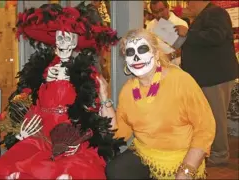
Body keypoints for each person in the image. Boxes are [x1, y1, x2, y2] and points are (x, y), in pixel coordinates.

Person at [0, 3, 125, 179]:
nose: (62, 42)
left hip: (73, 142)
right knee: (11, 171)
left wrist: (83, 137)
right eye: (59, 37)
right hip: (39, 138)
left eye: (67, 37)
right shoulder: (42, 71)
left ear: (75, 42)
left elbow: (107, 124)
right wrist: (20, 131)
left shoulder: (88, 74)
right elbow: (28, 105)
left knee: (65, 174)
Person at [97, 29, 216, 179]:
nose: (136, 57)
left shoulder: (180, 81)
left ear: (156, 53)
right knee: (116, 170)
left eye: (142, 49)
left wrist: (187, 170)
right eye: (130, 52)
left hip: (182, 157)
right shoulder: (128, 90)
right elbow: (119, 134)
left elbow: (205, 128)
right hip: (145, 154)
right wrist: (104, 97)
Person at [175, 1, 239, 166]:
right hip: (208, 76)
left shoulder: (215, 13)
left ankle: (219, 155)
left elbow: (216, 36)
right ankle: (214, 151)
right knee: (209, 116)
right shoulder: (205, 15)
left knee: (215, 117)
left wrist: (188, 33)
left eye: (190, 2)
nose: (188, 5)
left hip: (215, 76)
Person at [146, 0, 188, 66]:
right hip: (157, 66)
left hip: (177, 67)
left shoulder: (181, 24)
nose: (159, 15)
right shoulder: (150, 26)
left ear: (167, 7)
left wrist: (170, 56)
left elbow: (185, 49)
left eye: (161, 10)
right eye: (155, 12)